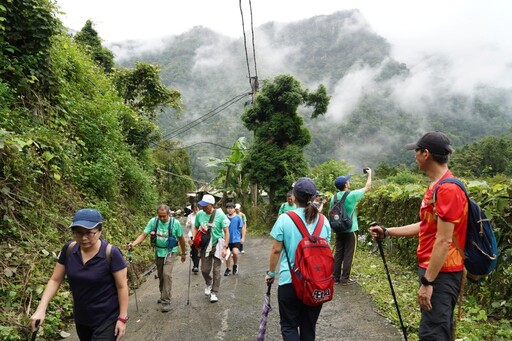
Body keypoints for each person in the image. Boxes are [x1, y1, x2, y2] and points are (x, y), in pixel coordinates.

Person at [369, 131, 468, 341]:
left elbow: (444, 240)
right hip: (433, 270)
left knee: (432, 333)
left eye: (416, 151)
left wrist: (428, 282)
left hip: (442, 273)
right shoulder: (435, 187)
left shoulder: (448, 189)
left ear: (426, 154)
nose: (414, 156)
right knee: (436, 328)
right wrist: (387, 232)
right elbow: (425, 226)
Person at [30, 209, 128, 341]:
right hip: (82, 318)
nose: (84, 238)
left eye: (89, 233)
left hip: (107, 318)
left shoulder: (111, 253)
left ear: (100, 231)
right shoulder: (69, 250)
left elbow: (122, 286)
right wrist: (41, 308)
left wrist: (122, 318)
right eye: (78, 233)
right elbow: (55, 280)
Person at [265, 177, 331, 340]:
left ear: (293, 197)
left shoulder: (284, 219)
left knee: (289, 326)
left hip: (290, 281)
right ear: (314, 197)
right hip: (316, 283)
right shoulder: (324, 221)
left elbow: (276, 251)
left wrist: (271, 274)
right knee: (309, 327)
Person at [127, 204, 187, 313]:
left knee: (166, 274)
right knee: (160, 275)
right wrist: (133, 244)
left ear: (169, 214)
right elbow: (143, 235)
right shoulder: (153, 222)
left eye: (164, 216)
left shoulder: (175, 224)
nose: (162, 218)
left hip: (170, 252)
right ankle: (163, 294)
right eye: (160, 216)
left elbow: (181, 239)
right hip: (158, 252)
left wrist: (183, 253)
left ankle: (166, 301)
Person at [331, 168, 372, 285]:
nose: (349, 182)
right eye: (347, 181)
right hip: (350, 229)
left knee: (339, 252)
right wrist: (370, 174)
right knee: (349, 253)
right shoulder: (352, 195)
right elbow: (368, 187)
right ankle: (345, 279)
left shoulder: (333, 198)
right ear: (346, 184)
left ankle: (335, 277)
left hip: (338, 229)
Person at [193, 194, 230, 303]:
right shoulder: (200, 214)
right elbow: (195, 227)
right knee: (204, 270)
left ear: (211, 205)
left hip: (217, 244)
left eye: (205, 206)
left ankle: (214, 292)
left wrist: (225, 247)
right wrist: (194, 238)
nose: (203, 208)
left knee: (216, 270)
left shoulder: (221, 215)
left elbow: (226, 232)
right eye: (202, 205)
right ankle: (208, 283)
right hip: (205, 245)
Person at [224, 202, 245, 276]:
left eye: (231, 208)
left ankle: (235, 265)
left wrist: (242, 237)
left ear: (234, 209)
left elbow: (242, 228)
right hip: (226, 239)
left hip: (236, 238)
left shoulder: (238, 217)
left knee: (235, 252)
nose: (230, 210)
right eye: (228, 208)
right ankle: (228, 268)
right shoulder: (224, 217)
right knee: (227, 254)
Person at [186, 203, 200, 273]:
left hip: (200, 235)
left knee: (198, 251)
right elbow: (188, 227)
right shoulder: (190, 216)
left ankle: (196, 266)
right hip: (192, 235)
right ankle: (195, 265)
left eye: (196, 209)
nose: (195, 211)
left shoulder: (201, 215)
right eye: (193, 209)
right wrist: (189, 223)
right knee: (193, 250)